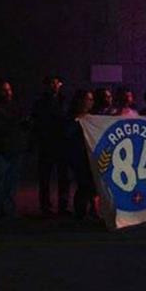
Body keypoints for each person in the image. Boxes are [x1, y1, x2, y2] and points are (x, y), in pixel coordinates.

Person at [32, 75, 69, 216]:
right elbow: (37, 120)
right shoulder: (40, 102)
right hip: (47, 143)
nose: (54, 86)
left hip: (62, 143)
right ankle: (45, 206)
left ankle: (63, 206)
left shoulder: (64, 100)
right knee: (45, 177)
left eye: (56, 83)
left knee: (64, 177)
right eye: (51, 83)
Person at [0, 79, 29, 222]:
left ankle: (8, 211)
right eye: (4, 90)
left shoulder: (15, 107)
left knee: (11, 184)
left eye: (9, 90)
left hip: (14, 150)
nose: (8, 93)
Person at [65, 90, 97, 220]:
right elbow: (67, 134)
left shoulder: (93, 118)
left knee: (93, 184)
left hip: (92, 156)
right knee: (83, 184)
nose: (90, 102)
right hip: (79, 156)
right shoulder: (71, 118)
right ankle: (80, 212)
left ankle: (93, 210)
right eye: (88, 99)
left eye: (91, 100)